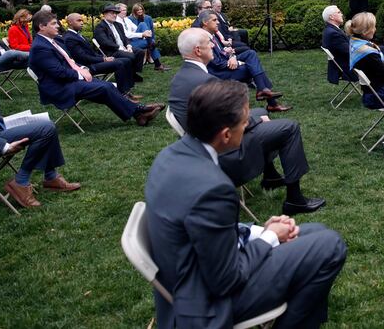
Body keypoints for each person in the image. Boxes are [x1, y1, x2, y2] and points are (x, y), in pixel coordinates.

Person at [146, 79, 347, 328]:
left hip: (195, 273)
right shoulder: (213, 187)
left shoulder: (170, 156)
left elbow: (205, 229)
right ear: (226, 134)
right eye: (244, 123)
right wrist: (270, 237)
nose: (248, 125)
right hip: (208, 304)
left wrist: (258, 231)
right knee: (331, 245)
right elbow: (226, 279)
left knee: (316, 232)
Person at [169, 28, 326, 214]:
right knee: (289, 128)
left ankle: (271, 176)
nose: (213, 45)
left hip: (201, 143)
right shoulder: (206, 82)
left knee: (259, 111)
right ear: (197, 50)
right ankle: (295, 199)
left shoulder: (180, 77)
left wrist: (255, 117)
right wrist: (256, 121)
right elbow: (228, 122)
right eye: (208, 43)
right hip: (225, 152)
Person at [0, 29, 80, 208]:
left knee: (44, 123)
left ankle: (50, 177)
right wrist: (3, 146)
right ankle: (21, 181)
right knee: (46, 128)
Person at [28, 11, 162, 126]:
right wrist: (82, 73)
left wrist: (82, 69)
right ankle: (140, 112)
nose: (58, 26)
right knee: (105, 87)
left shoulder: (54, 41)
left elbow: (70, 62)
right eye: (53, 23)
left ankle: (139, 114)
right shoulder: (40, 47)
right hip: (60, 87)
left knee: (107, 86)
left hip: (70, 79)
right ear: (41, 26)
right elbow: (59, 73)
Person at [200, 11, 291, 112]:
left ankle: (263, 91)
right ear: (205, 22)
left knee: (250, 54)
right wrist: (238, 62)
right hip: (219, 73)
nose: (218, 22)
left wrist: (232, 56)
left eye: (217, 19)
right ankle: (270, 101)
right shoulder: (203, 39)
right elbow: (216, 63)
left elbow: (222, 52)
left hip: (227, 62)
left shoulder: (212, 35)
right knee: (252, 68)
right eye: (214, 20)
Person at [322, 5, 384, 84]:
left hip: (350, 61)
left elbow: (348, 47)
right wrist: (369, 49)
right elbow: (349, 50)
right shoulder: (332, 33)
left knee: (380, 50)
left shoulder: (331, 30)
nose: (341, 14)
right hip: (350, 67)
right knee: (380, 51)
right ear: (331, 17)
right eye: (339, 12)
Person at [63, 13, 138, 99]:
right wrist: (103, 59)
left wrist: (104, 58)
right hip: (87, 67)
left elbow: (91, 52)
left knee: (126, 60)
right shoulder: (69, 38)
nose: (82, 23)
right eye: (79, 20)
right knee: (119, 63)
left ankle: (127, 90)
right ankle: (123, 94)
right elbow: (82, 57)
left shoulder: (77, 35)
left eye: (82, 20)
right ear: (70, 22)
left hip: (93, 62)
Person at [93, 3, 145, 78]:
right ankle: (129, 75)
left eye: (115, 13)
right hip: (111, 52)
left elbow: (125, 38)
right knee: (130, 55)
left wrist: (128, 46)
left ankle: (133, 73)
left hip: (122, 48)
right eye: (112, 13)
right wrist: (121, 48)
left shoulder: (118, 25)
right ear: (105, 14)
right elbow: (106, 43)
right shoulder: (100, 27)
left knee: (140, 52)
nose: (114, 15)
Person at [128, 3, 170, 70]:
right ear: (134, 11)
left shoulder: (148, 18)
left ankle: (157, 65)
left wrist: (152, 38)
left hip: (146, 38)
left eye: (141, 9)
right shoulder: (130, 19)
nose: (140, 11)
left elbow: (151, 30)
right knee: (143, 25)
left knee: (151, 44)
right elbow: (129, 32)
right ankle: (158, 64)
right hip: (135, 38)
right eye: (137, 10)